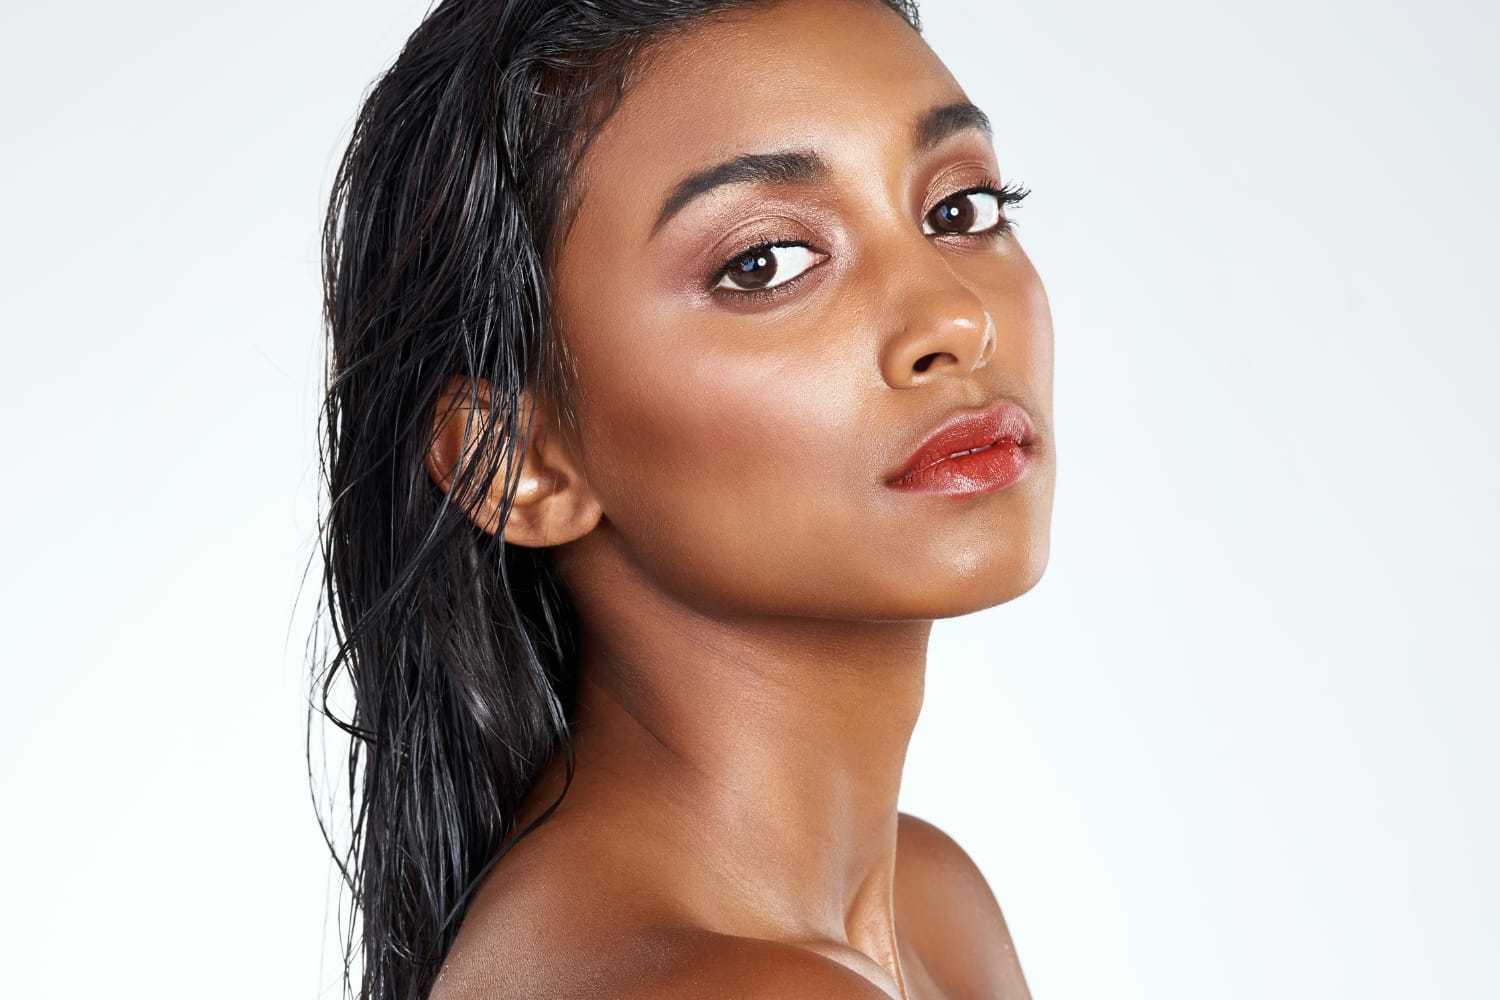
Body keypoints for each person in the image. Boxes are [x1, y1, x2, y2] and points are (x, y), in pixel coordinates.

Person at [312, 0, 1055, 996]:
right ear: (517, 459)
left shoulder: (930, 903)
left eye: (960, 209)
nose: (957, 319)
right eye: (764, 264)